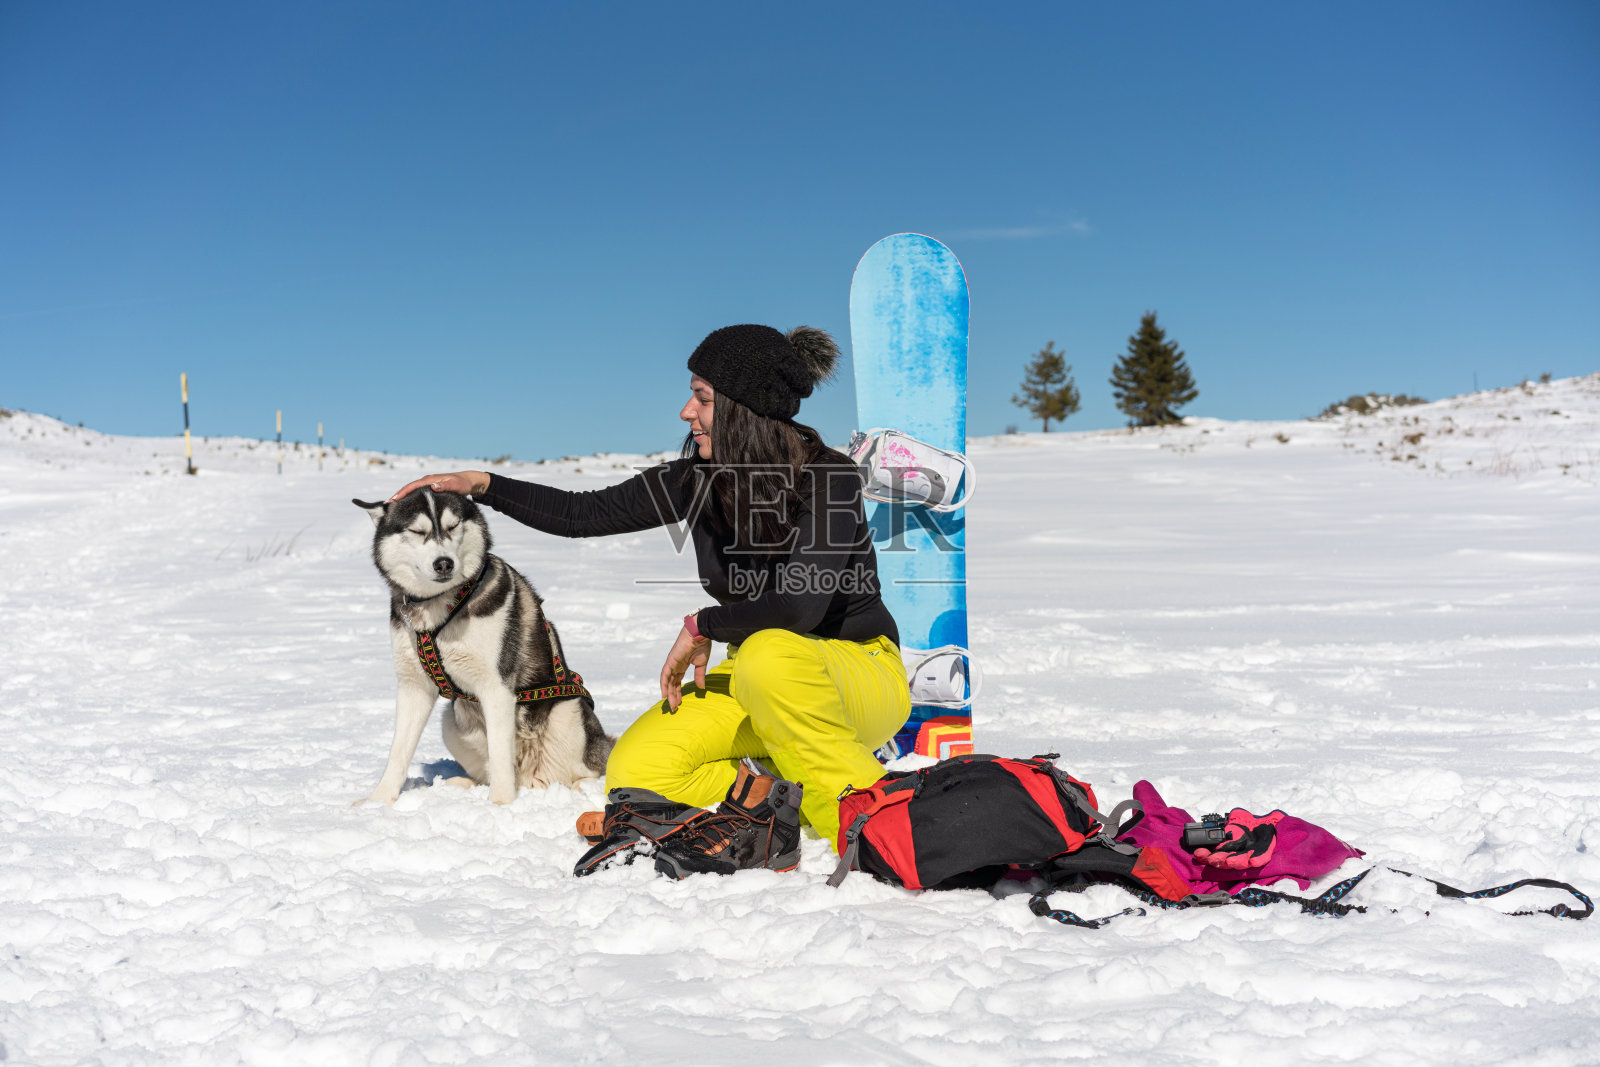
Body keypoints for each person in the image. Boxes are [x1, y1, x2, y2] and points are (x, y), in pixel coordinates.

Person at [389, 324, 909, 878]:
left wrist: (705, 624)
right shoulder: (697, 480)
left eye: (703, 398)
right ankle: (780, 791)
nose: (687, 412)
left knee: (767, 655)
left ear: (745, 408)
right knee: (637, 769)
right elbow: (581, 514)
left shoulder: (829, 478)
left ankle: (871, 823)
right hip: (758, 681)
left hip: (857, 673)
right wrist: (481, 484)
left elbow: (797, 608)